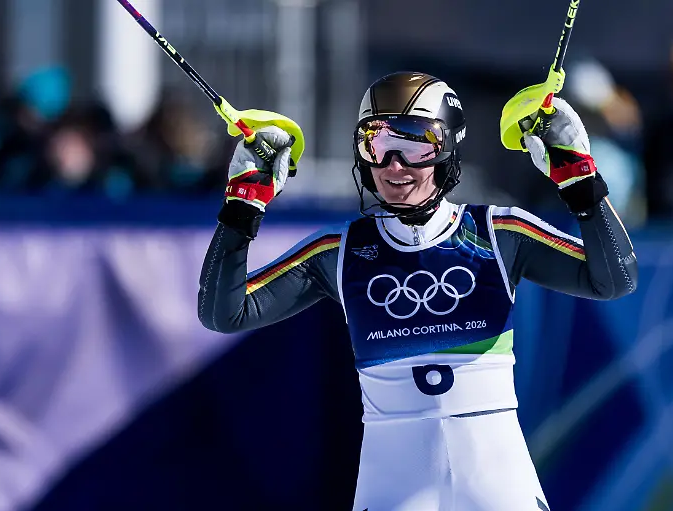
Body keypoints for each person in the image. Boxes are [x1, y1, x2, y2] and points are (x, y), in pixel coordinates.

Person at [198, 72, 638, 510]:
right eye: (377, 142)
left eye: (415, 145)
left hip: (499, 485)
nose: (394, 165)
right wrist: (242, 206)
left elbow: (615, 279)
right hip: (394, 488)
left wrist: (580, 178)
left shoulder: (498, 231)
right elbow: (224, 313)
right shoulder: (339, 250)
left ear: (447, 149)